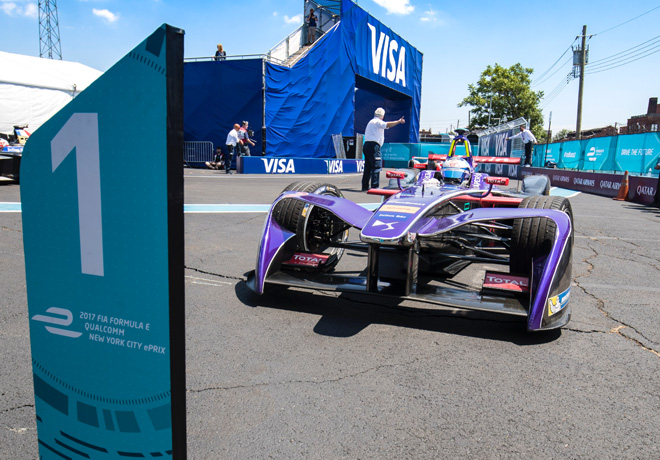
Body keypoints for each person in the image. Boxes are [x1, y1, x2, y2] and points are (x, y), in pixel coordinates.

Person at [361, 107, 405, 191]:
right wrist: (398, 121)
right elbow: (387, 125)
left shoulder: (371, 122)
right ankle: (375, 186)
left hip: (367, 144)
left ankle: (365, 186)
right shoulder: (377, 122)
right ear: (382, 116)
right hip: (374, 145)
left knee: (368, 167)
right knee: (376, 166)